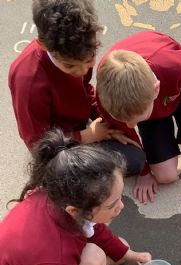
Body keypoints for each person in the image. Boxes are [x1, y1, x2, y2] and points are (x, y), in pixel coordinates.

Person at [0, 129, 165, 265]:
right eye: (112, 204)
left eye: (120, 197)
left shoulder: (61, 193)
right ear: (75, 211)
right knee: (95, 261)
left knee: (119, 248)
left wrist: (130, 255)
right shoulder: (54, 256)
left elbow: (93, 227)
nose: (122, 206)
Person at [8, 0, 144, 175]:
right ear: (43, 45)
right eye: (70, 66)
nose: (82, 71)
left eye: (90, 60)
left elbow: (86, 90)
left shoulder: (80, 50)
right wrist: (88, 136)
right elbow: (38, 143)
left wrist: (106, 122)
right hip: (57, 145)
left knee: (135, 156)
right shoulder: (29, 82)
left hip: (80, 128)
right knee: (130, 162)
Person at [96, 31, 181, 204]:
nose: (131, 125)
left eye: (135, 120)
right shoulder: (107, 93)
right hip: (150, 110)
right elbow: (127, 131)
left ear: (155, 89)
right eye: (124, 120)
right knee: (166, 176)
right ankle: (152, 120)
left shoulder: (174, 65)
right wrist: (144, 171)